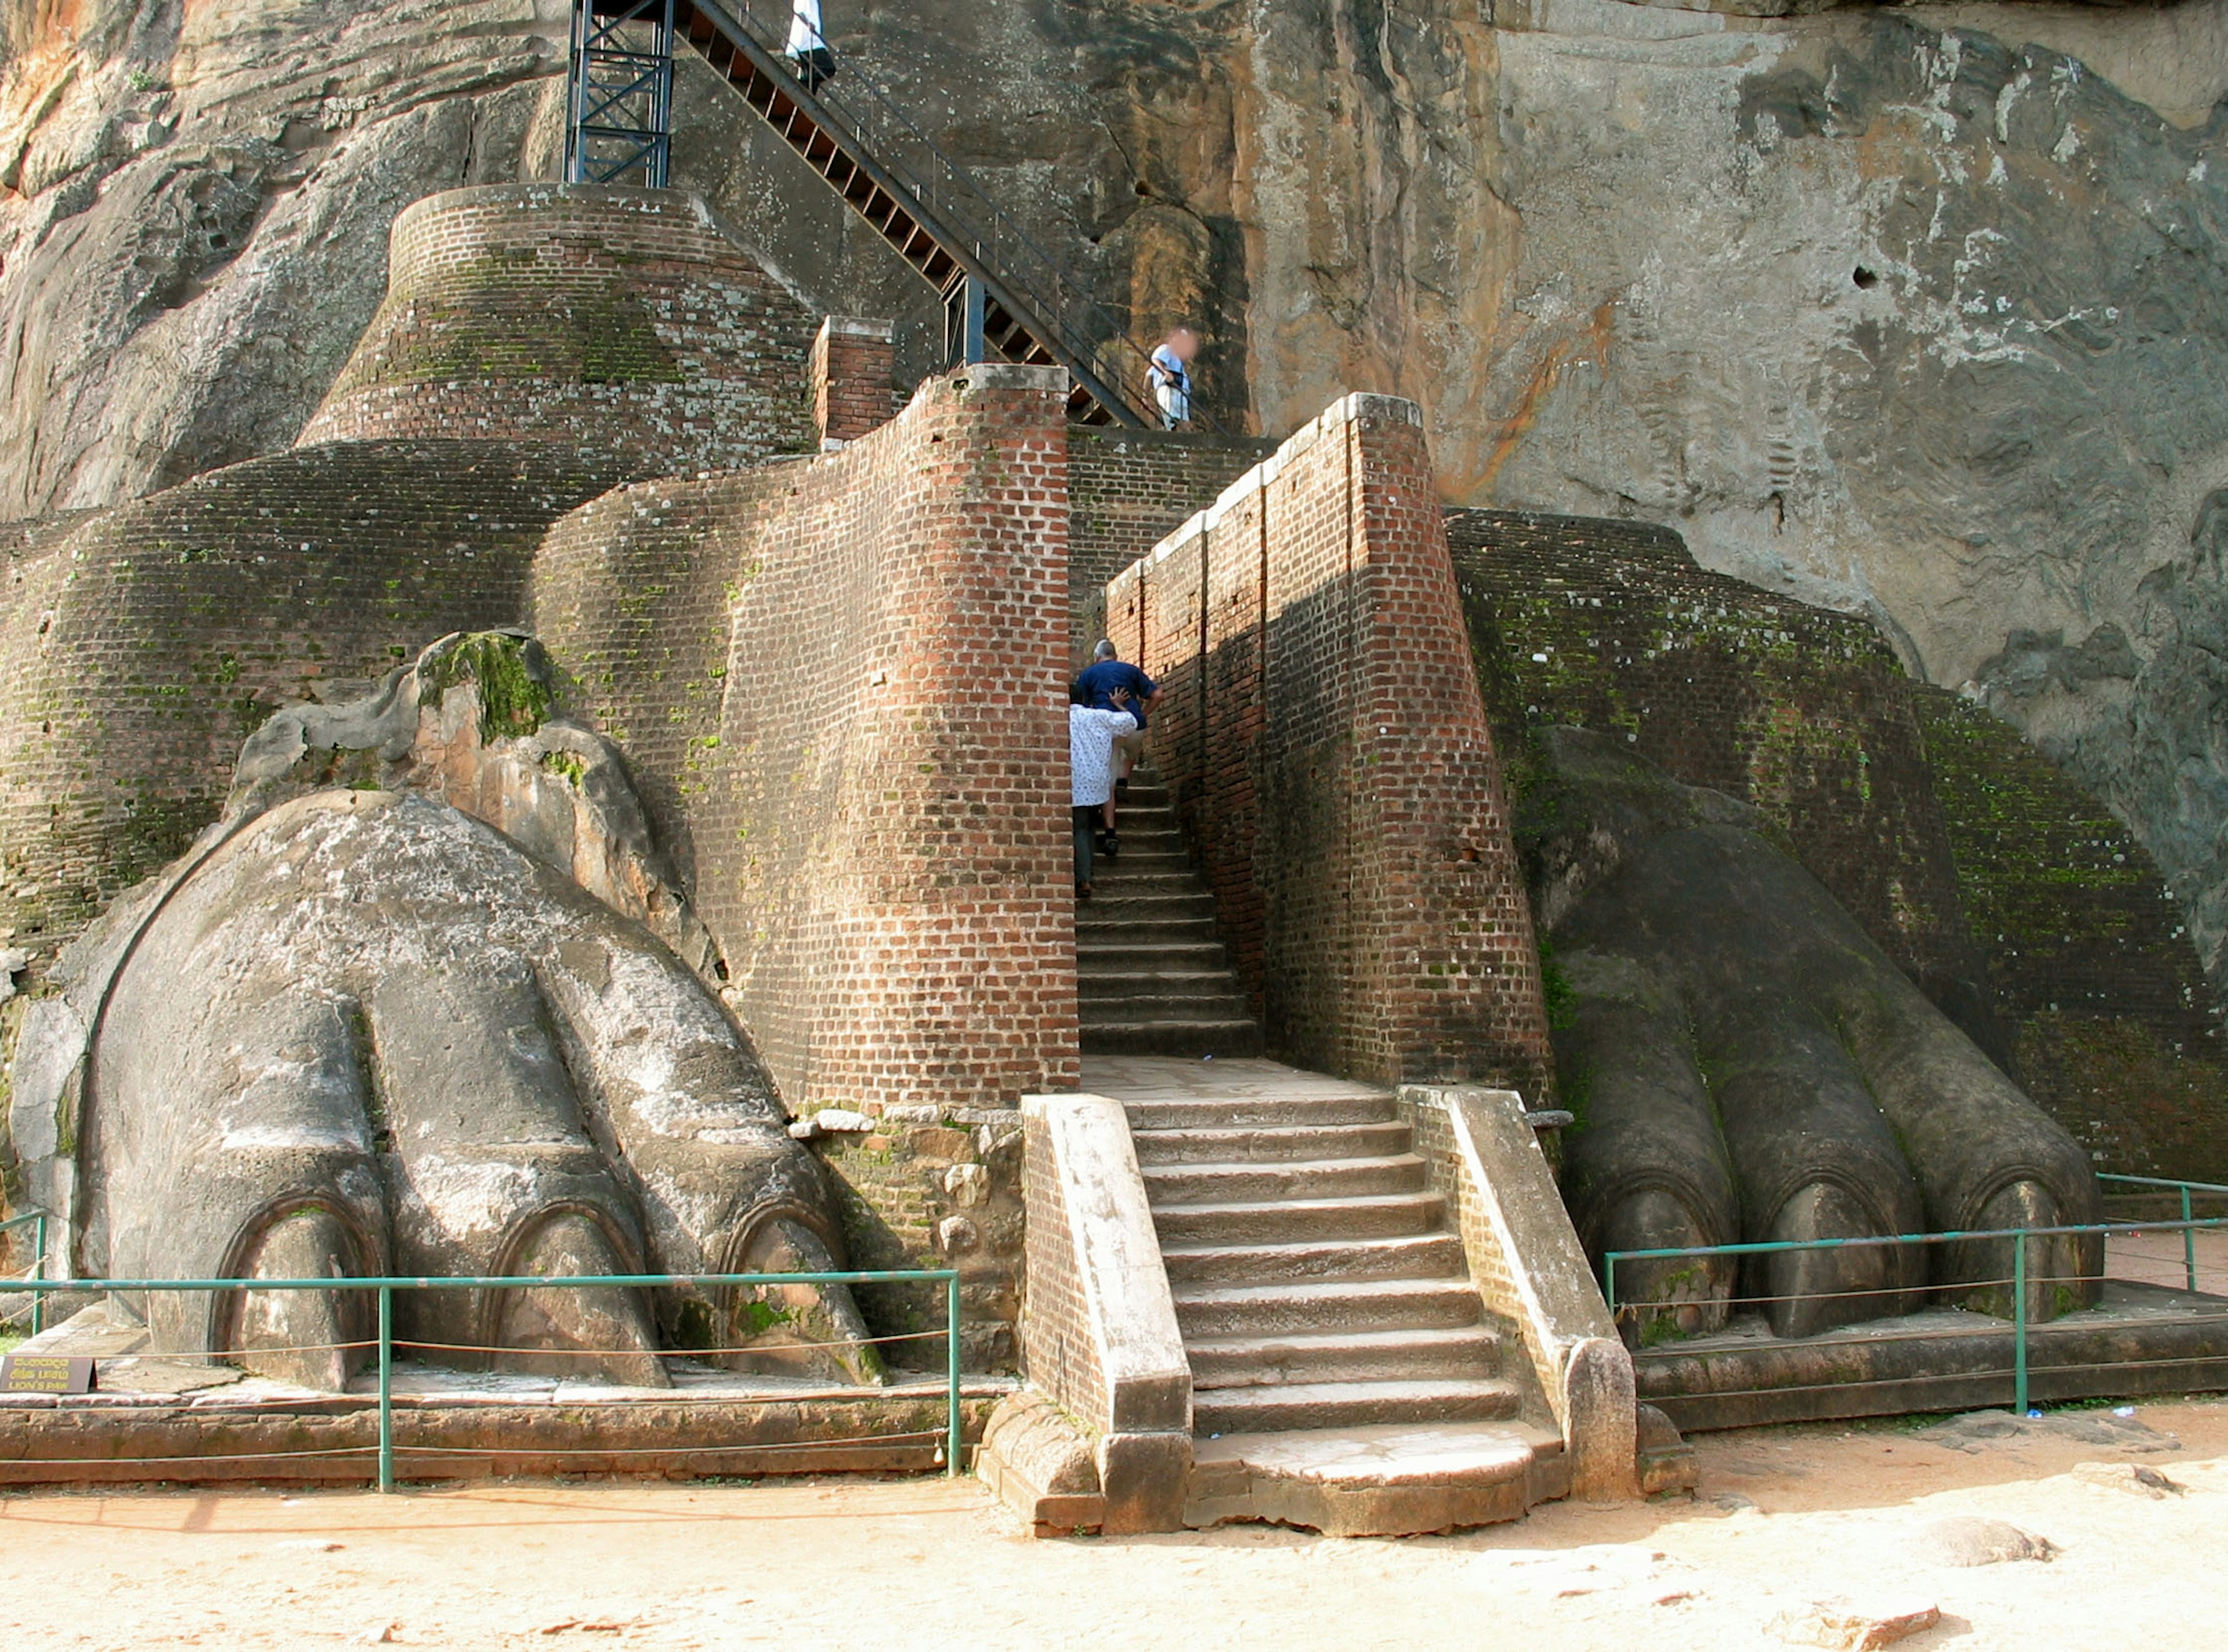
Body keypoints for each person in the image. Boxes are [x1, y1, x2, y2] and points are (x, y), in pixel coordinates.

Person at [1074, 639, 1159, 856]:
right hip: (1132, 723)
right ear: (1116, 655)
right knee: (1131, 751)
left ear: (1096, 657)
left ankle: (1111, 834)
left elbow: (1081, 708)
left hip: (1107, 729)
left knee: (1107, 784)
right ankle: (1125, 779)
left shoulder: (1088, 675)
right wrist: (1142, 715)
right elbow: (1158, 695)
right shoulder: (1131, 671)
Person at [1070, 681, 1136, 899]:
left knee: (1080, 829)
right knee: (1088, 828)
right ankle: (1087, 874)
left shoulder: (1063, 719)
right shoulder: (1098, 716)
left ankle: (1084, 880)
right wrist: (1118, 705)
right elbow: (1131, 723)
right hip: (1099, 781)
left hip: (1075, 781)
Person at [1148, 327, 1196, 431]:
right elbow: (1156, 359)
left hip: (1179, 391)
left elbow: (1149, 374)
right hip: (1170, 389)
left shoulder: (1177, 358)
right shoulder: (1167, 349)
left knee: (1182, 420)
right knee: (1173, 419)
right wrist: (1165, 373)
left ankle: (1181, 442)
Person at [786, 0, 836, 92]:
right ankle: (798, 85)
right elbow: (800, 11)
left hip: (807, 44)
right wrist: (808, 24)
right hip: (809, 43)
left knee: (811, 83)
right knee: (828, 68)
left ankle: (803, 90)